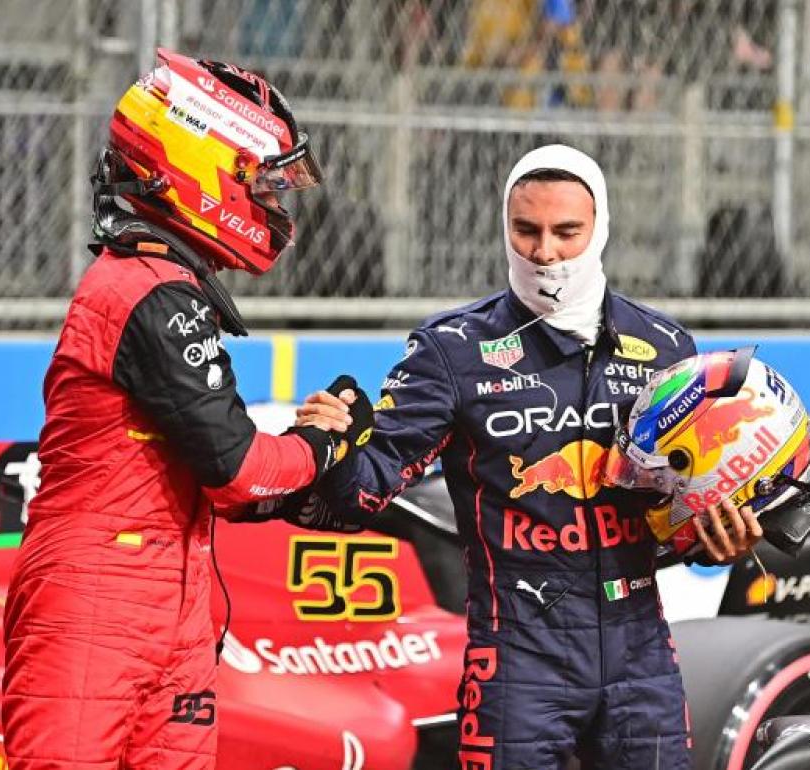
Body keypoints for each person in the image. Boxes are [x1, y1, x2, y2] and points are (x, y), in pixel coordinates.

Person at [296, 144, 764, 769]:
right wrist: (335, 445)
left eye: (567, 232)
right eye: (528, 230)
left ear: (601, 229)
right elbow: (367, 489)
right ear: (505, 228)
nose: (547, 252)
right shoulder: (451, 349)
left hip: (639, 650)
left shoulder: (664, 344)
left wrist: (713, 541)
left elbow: (675, 512)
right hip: (517, 656)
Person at [1, 49, 370, 770]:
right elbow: (236, 470)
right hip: (96, 607)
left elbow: (223, 483)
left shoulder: (163, 284)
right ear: (200, 168)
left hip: (173, 598)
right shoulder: (144, 289)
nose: (275, 203)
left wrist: (311, 469)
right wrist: (322, 447)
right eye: (262, 182)